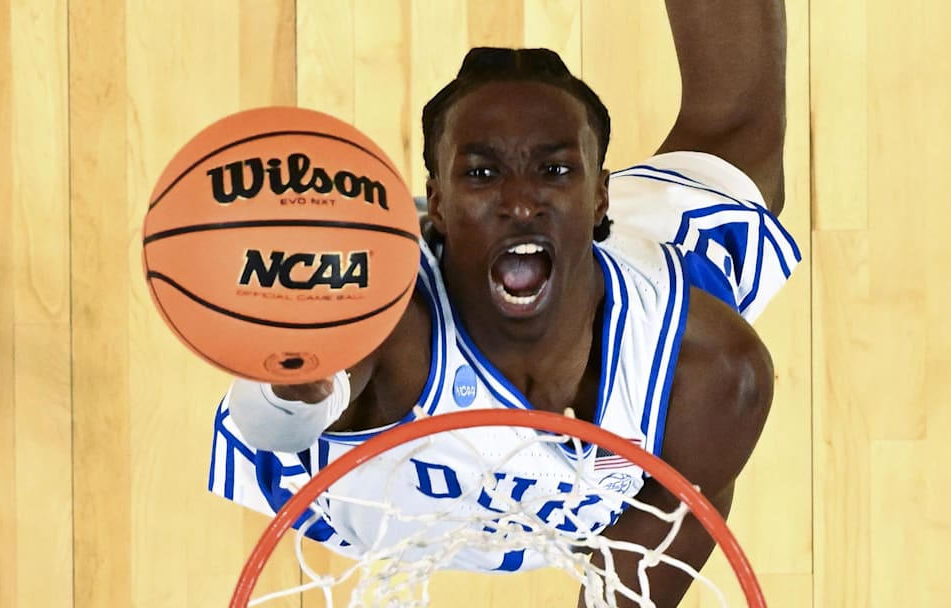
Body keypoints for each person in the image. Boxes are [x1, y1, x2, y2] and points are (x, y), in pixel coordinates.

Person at [209, 0, 797, 604]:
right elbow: (267, 428)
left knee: (737, 136)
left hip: (622, 399)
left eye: (554, 168)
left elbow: (652, 555)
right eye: (482, 175)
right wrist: (291, 383)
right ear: (435, 204)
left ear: (602, 198)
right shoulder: (383, 312)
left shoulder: (713, 368)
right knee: (741, 140)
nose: (521, 202)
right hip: (367, 492)